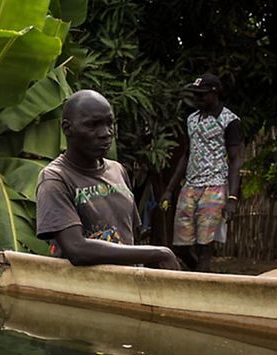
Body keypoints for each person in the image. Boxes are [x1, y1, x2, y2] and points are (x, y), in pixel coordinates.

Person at [35, 90, 178, 269]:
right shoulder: (55, 179)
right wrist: (159, 254)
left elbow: (131, 234)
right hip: (87, 291)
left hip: (127, 286)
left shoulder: (117, 171)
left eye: (109, 124)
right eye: (92, 125)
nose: (105, 133)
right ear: (67, 128)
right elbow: (76, 249)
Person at [161, 73, 243, 272]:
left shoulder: (229, 120)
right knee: (180, 245)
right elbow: (186, 155)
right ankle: (200, 275)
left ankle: (200, 281)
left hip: (215, 185)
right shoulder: (191, 119)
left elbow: (235, 160)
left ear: (215, 93)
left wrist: (232, 197)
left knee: (205, 245)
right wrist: (170, 190)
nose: (197, 98)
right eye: (195, 95)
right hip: (190, 185)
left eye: (202, 95)